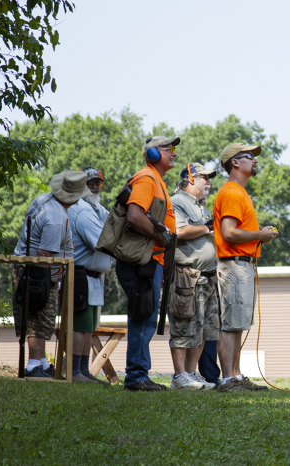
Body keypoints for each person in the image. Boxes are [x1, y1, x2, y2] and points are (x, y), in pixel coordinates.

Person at [213, 143, 279, 392]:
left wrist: (258, 236)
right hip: (234, 266)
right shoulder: (231, 192)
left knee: (237, 323)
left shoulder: (239, 192)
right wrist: (259, 235)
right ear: (235, 163)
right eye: (249, 156)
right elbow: (229, 232)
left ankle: (236, 376)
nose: (255, 160)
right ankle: (228, 380)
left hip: (242, 266)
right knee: (231, 324)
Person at [116, 135, 179, 391]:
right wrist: (160, 238)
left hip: (151, 261)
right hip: (143, 261)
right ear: (152, 154)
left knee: (146, 315)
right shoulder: (147, 178)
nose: (174, 153)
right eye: (169, 149)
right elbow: (134, 215)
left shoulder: (156, 180)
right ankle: (136, 376)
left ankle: (139, 373)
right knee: (143, 317)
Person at [12, 170, 88, 378]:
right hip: (40, 273)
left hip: (34, 270)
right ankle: (33, 365)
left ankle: (42, 364)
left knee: (41, 317)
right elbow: (44, 255)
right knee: (39, 317)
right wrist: (42, 287)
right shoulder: (55, 217)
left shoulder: (43, 200)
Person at [166, 163, 219, 390]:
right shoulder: (178, 202)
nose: (208, 182)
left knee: (203, 328)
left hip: (207, 277)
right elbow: (178, 231)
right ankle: (179, 376)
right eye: (204, 177)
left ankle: (191, 373)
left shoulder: (202, 206)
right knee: (183, 324)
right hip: (186, 275)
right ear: (189, 178)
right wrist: (208, 227)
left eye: (209, 178)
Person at [66, 166, 115, 383]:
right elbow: (101, 240)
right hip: (81, 274)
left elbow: (113, 226)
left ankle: (84, 371)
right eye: (90, 183)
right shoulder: (81, 208)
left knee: (88, 328)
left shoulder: (96, 209)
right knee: (80, 325)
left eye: (97, 183)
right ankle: (74, 370)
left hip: (94, 276)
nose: (94, 187)